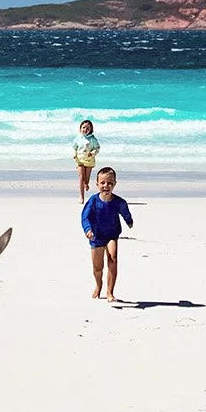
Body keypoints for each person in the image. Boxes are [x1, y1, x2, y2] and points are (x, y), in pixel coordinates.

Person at [80, 165, 134, 302]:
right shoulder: (93, 201)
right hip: (96, 237)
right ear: (97, 184)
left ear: (114, 184)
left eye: (110, 183)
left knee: (113, 258)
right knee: (98, 268)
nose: (106, 186)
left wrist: (129, 221)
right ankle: (99, 285)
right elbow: (85, 217)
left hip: (111, 235)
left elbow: (124, 209)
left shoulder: (118, 202)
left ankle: (110, 292)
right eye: (103, 183)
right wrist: (88, 230)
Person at [71, 119, 100, 201]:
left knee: (86, 179)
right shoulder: (78, 138)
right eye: (83, 127)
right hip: (79, 160)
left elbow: (97, 148)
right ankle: (81, 197)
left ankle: (86, 184)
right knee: (81, 177)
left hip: (89, 161)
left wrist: (93, 152)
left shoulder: (92, 139)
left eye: (88, 128)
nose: (85, 130)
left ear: (91, 129)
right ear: (80, 129)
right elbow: (74, 147)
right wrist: (74, 154)